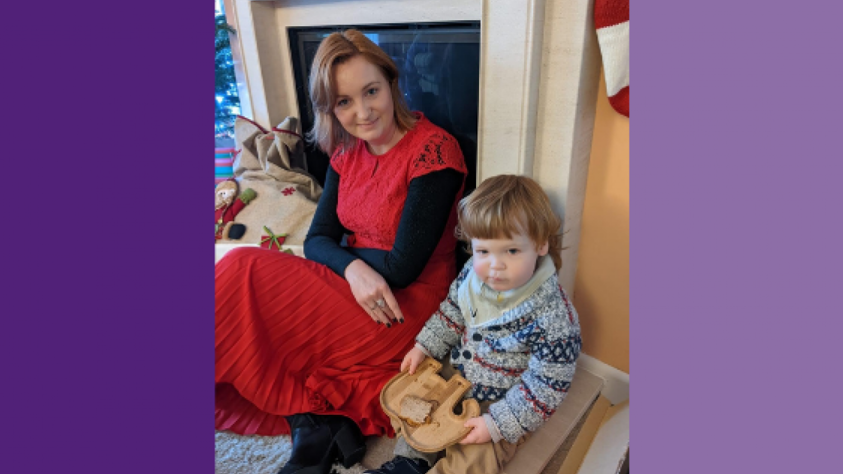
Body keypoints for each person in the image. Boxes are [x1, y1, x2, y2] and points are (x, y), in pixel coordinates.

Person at [214, 29, 467, 474]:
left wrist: (346, 262)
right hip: (357, 282)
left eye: (371, 91)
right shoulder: (347, 152)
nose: (363, 111)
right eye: (344, 102)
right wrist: (350, 268)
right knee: (250, 281)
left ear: (392, 82)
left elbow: (402, 268)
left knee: (241, 270)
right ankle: (314, 424)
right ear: (330, 109)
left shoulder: (434, 151)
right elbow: (316, 241)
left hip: (403, 306)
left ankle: (316, 423)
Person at [365, 175, 582, 474]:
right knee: (417, 416)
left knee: (479, 456)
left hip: (500, 400)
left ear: (541, 245)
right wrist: (424, 345)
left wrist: (496, 425)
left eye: (512, 251)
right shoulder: (472, 275)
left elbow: (546, 386)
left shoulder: (555, 318)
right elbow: (452, 313)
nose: (495, 265)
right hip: (455, 375)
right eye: (483, 251)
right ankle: (407, 464)